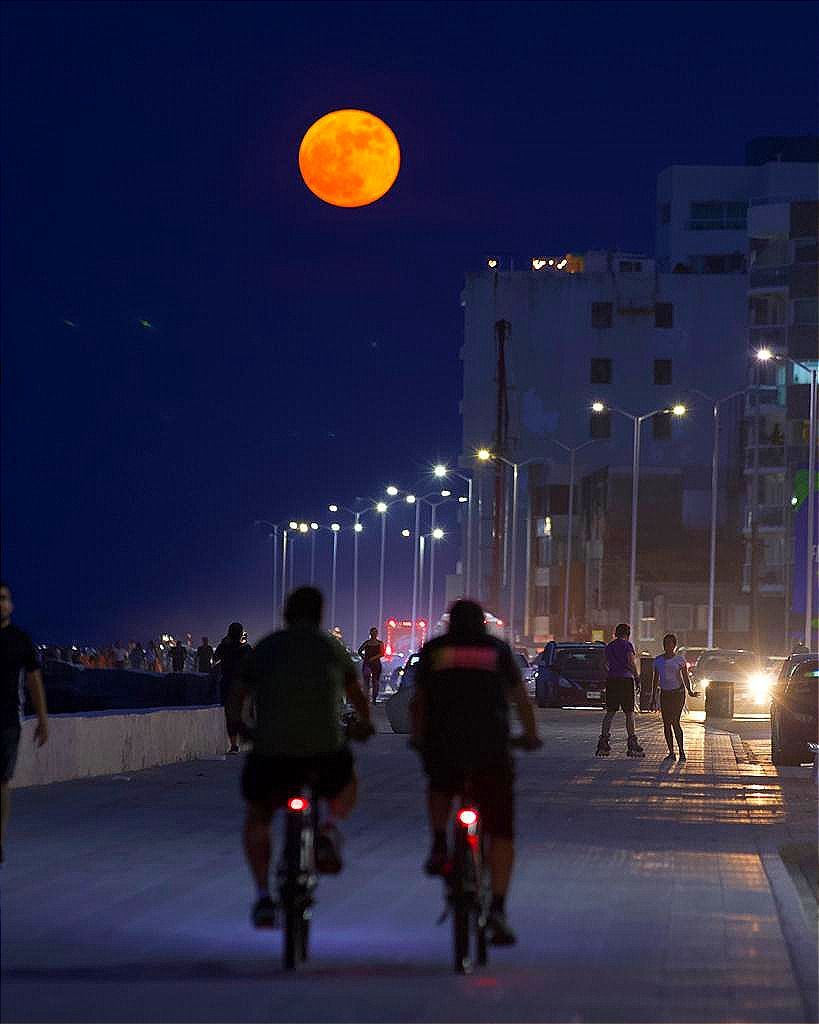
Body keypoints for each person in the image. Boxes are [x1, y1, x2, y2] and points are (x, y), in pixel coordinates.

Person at [226, 586, 372, 928]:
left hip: (271, 751)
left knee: (258, 816)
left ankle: (263, 896)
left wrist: (237, 725)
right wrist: (364, 724)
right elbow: (356, 694)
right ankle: (328, 828)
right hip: (324, 750)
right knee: (347, 781)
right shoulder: (330, 648)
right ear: (320, 615)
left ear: (286, 613)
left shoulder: (267, 647)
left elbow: (237, 693)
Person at [410, 599, 541, 946]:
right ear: (483, 624)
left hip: (445, 746)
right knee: (500, 831)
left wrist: (418, 738)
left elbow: (419, 700)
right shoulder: (496, 651)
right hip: (491, 750)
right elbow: (521, 700)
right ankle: (497, 909)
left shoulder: (436, 650)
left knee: (439, 785)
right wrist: (530, 736)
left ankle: (439, 843)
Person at [1, 583, 48, 862]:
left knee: (1, 782)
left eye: (4, 598)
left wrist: (42, 718)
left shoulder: (20, 640)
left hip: (8, 721)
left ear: (11, 605)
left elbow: (33, 680)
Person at [596, 623, 644, 757]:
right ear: (627, 634)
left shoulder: (609, 646)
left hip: (612, 680)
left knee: (610, 712)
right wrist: (636, 677)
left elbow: (603, 664)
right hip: (625, 680)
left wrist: (611, 671)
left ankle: (604, 741)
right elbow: (630, 661)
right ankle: (632, 742)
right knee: (629, 713)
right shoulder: (627, 645)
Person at [651, 633, 697, 761]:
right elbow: (655, 680)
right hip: (665, 694)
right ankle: (671, 752)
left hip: (678, 694)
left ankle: (681, 751)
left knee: (675, 721)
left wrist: (690, 691)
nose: (668, 647)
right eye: (665, 644)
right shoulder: (658, 661)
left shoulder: (680, 660)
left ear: (674, 646)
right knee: (666, 724)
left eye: (670, 644)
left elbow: (685, 678)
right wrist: (653, 698)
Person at [215, 622, 249, 754]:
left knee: (230, 715)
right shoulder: (245, 648)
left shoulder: (224, 647)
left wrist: (224, 643)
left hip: (228, 684)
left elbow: (216, 657)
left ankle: (234, 745)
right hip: (243, 685)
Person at [357, 626, 385, 703]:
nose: (374, 634)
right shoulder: (367, 643)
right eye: (373, 632)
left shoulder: (380, 643)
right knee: (366, 682)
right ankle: (367, 698)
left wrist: (372, 658)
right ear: (370, 633)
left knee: (375, 681)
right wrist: (364, 658)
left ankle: (374, 698)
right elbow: (359, 651)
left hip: (375, 664)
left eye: (375, 632)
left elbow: (382, 653)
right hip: (367, 664)